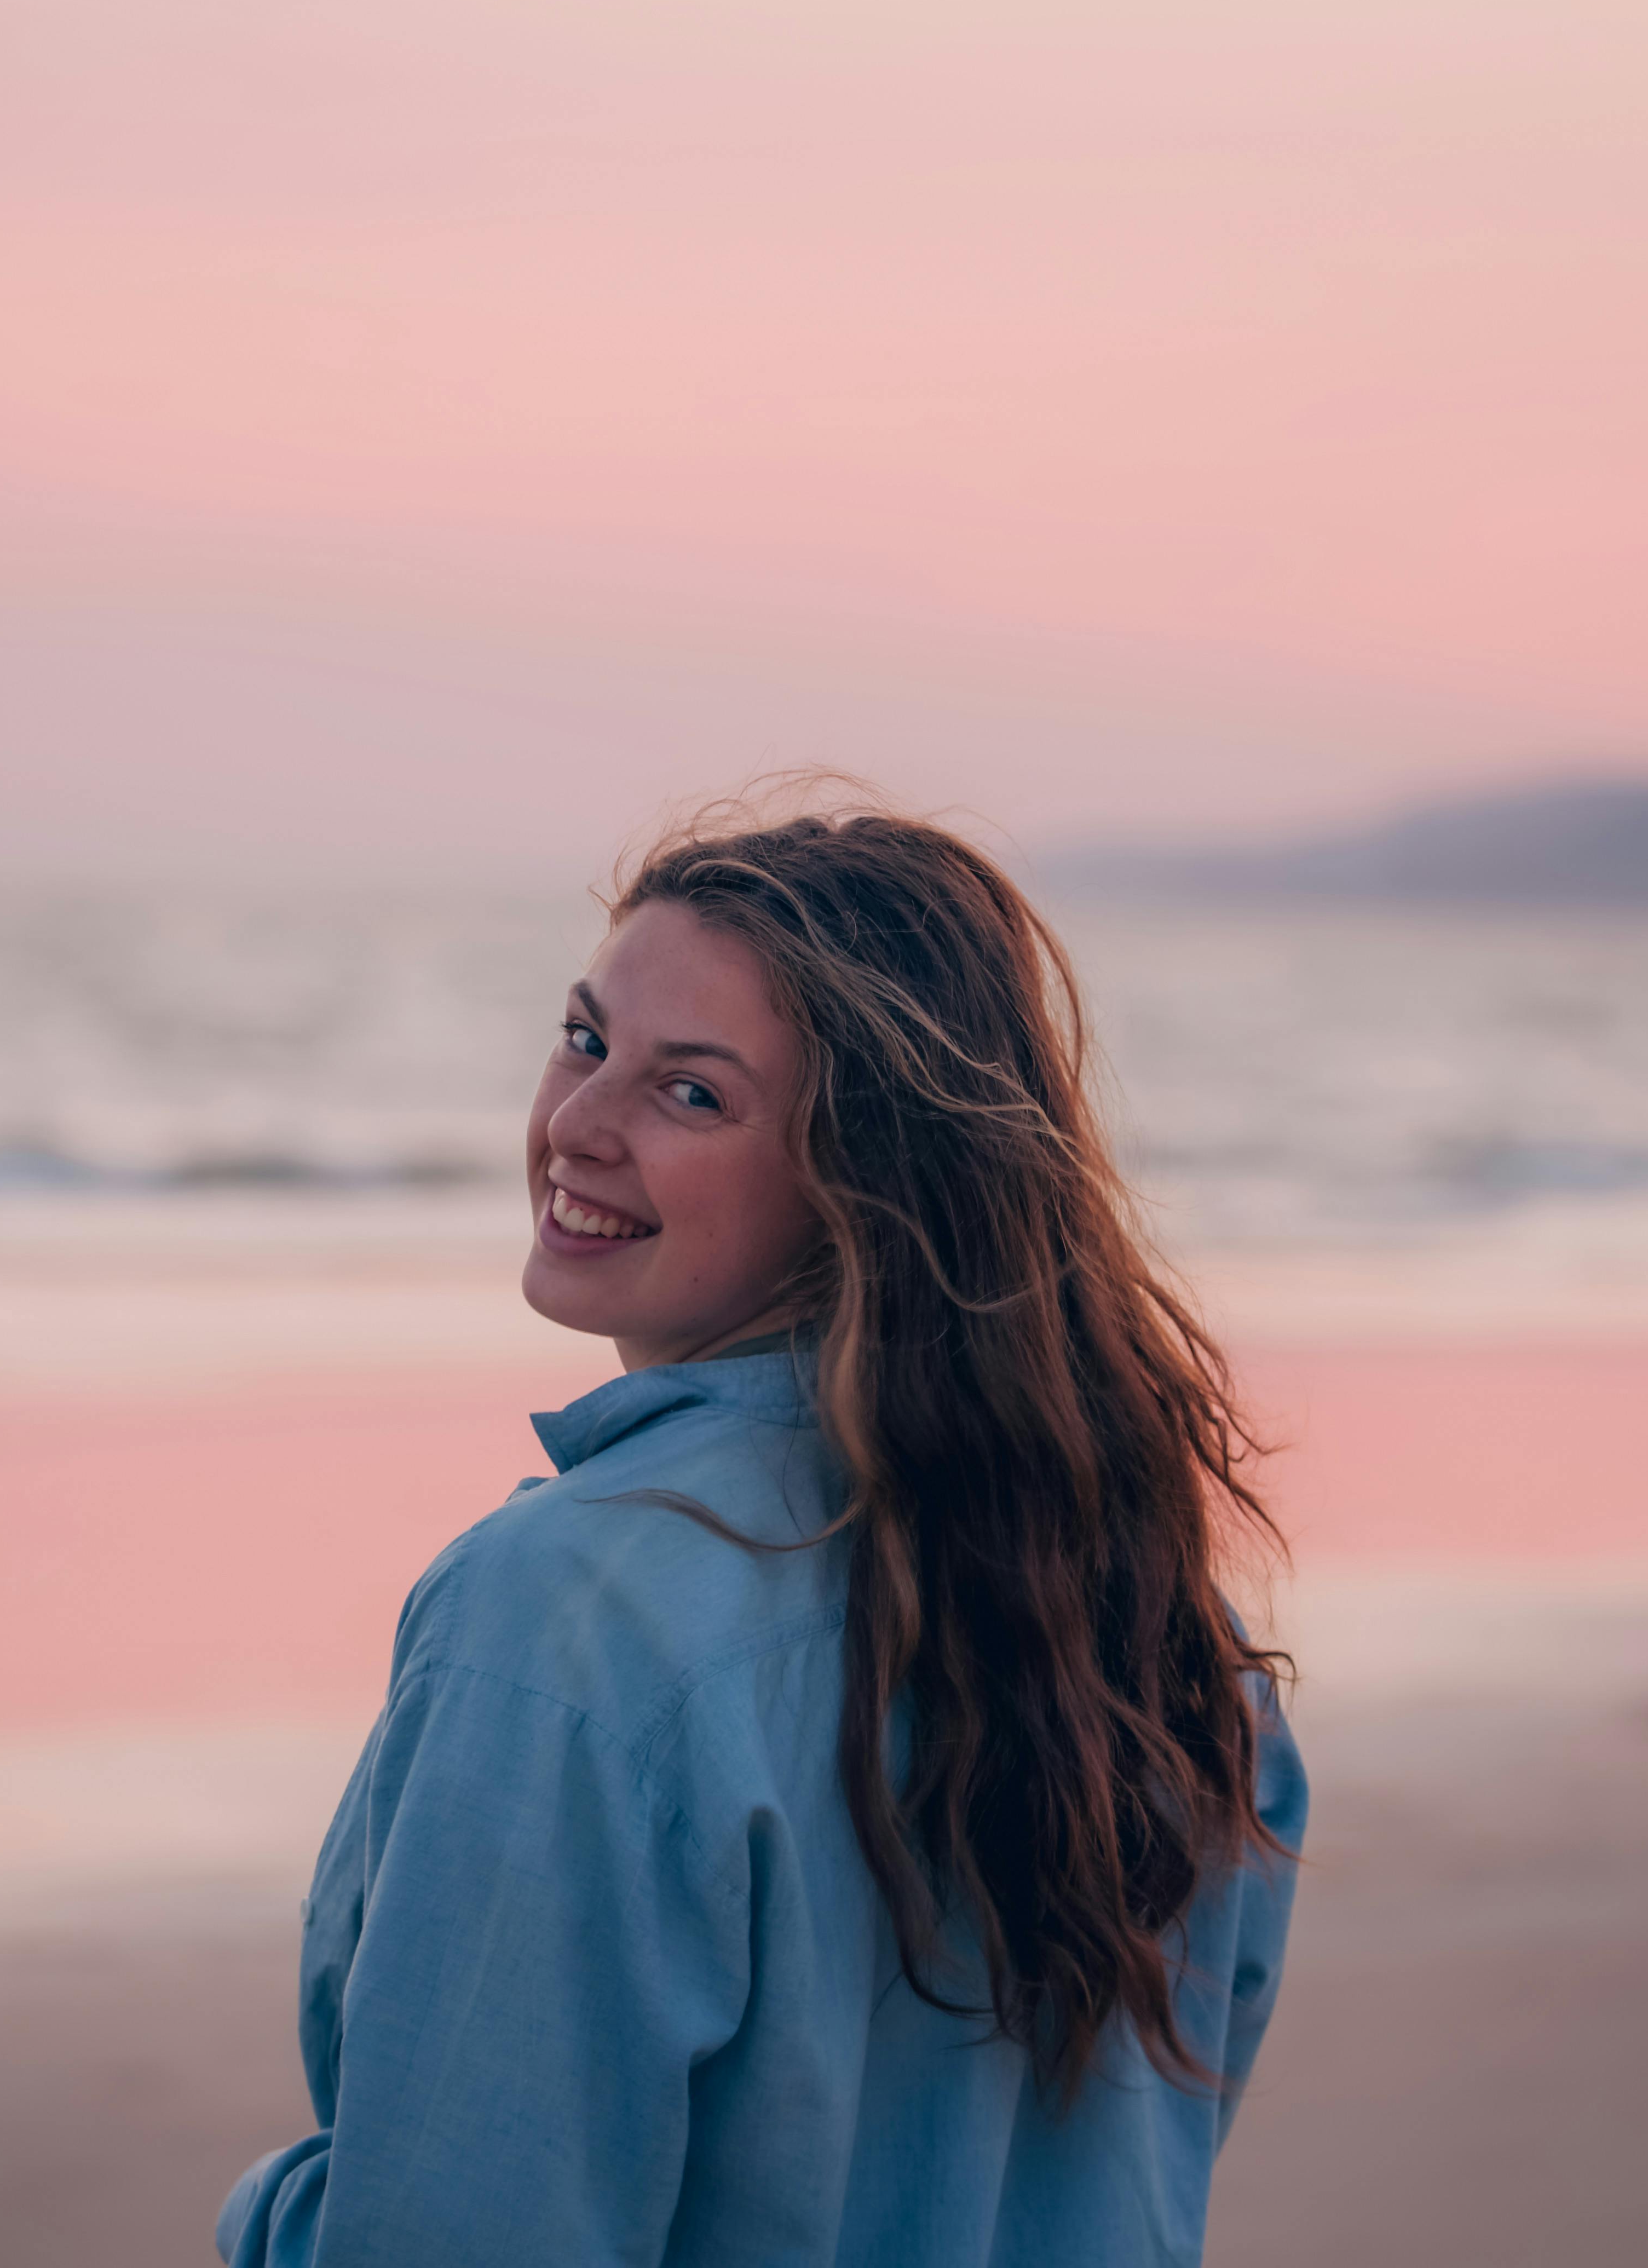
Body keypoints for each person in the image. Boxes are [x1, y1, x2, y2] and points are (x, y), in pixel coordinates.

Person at [218, 798, 1304, 2267]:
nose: (577, 1127)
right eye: (586, 1040)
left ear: (862, 1181)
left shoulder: (569, 1625)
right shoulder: (1172, 1642)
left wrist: (272, 2217)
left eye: (693, 1096)